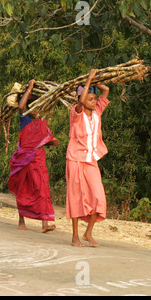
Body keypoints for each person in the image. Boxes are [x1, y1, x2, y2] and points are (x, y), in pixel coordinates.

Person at [66, 69, 110, 248]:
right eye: (90, 99)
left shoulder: (97, 111)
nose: (94, 101)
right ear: (81, 100)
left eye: (94, 99)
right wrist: (89, 79)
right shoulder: (76, 113)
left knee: (99, 197)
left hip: (91, 160)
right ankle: (75, 236)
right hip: (75, 159)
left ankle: (88, 232)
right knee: (76, 197)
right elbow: (82, 101)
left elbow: (105, 91)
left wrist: (95, 80)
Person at [8, 79, 59, 233]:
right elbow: (21, 106)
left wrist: (52, 142)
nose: (37, 111)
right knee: (23, 188)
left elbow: (45, 140)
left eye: (39, 108)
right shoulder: (25, 119)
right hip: (24, 160)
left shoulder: (42, 123)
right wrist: (30, 88)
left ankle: (45, 224)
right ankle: (21, 220)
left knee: (42, 189)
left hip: (38, 159)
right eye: (34, 108)